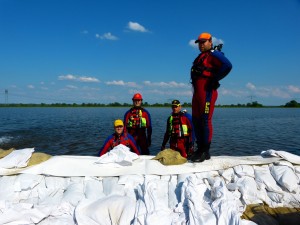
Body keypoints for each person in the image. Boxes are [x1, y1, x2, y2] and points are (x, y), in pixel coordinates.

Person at [190, 32, 232, 162]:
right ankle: (199, 149)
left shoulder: (214, 54)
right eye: (199, 43)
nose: (201, 45)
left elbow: (228, 65)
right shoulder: (200, 57)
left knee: (205, 120)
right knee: (196, 121)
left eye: (204, 42)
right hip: (197, 94)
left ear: (210, 42)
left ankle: (205, 151)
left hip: (207, 93)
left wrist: (214, 79)